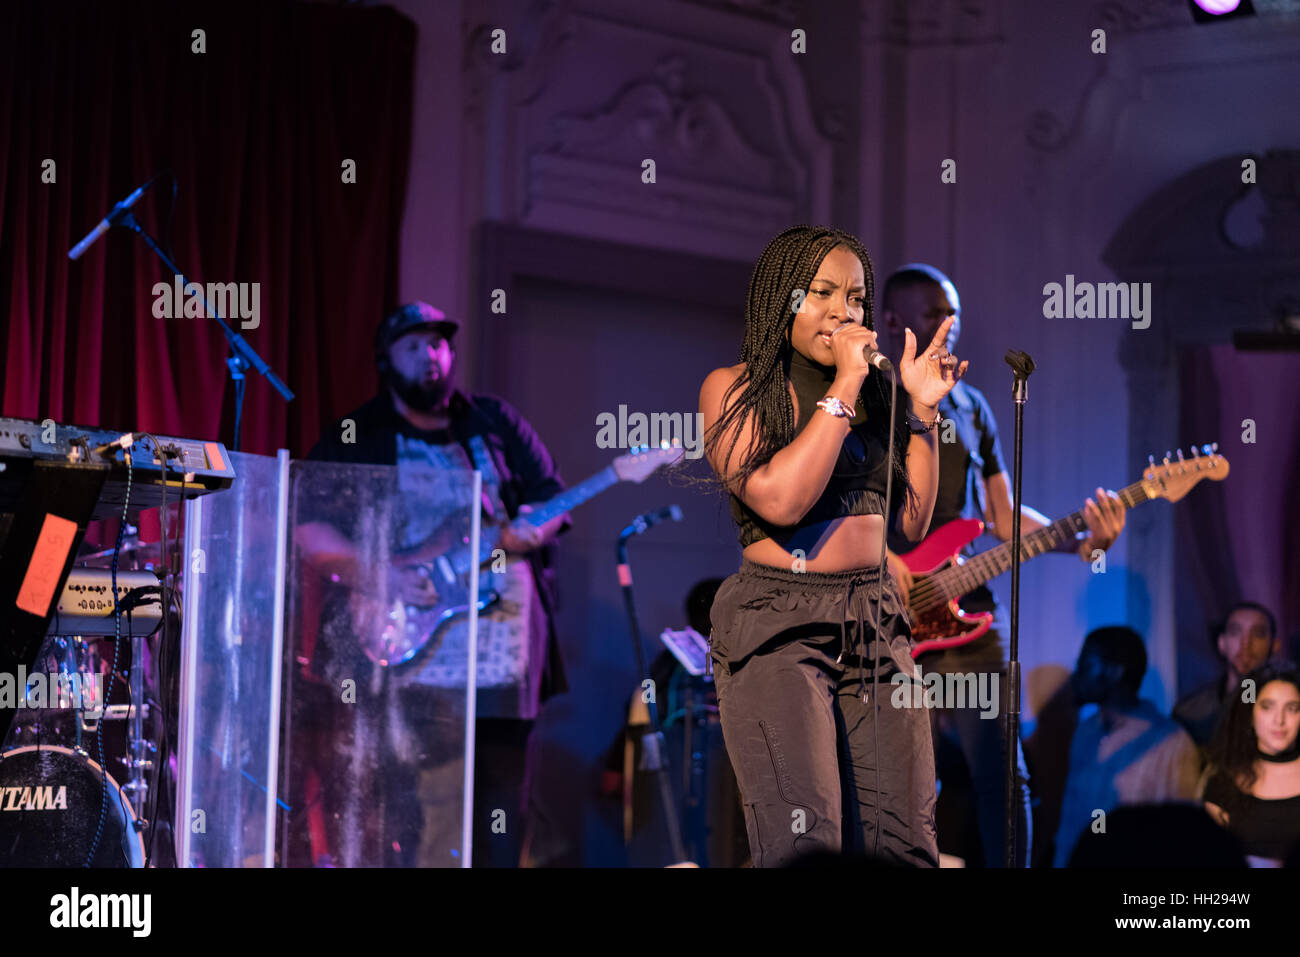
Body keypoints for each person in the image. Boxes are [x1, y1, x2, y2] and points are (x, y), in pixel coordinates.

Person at [699, 224, 967, 867]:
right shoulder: (733, 388)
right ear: (782, 299)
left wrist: (923, 413)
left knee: (907, 843)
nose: (843, 311)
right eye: (822, 293)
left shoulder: (884, 395)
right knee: (807, 842)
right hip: (779, 624)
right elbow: (781, 501)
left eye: (854, 296)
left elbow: (912, 521)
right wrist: (844, 388)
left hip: (876, 617)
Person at [295, 301, 571, 867]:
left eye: (439, 344)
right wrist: (378, 573)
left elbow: (551, 500)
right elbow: (306, 521)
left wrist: (531, 529)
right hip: (407, 646)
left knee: (499, 797)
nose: (430, 357)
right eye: (413, 345)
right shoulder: (361, 432)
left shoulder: (494, 422)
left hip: (501, 649)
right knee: (404, 799)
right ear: (385, 359)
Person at [878, 264, 1127, 867]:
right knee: (895, 783)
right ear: (891, 320)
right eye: (934, 310)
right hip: (883, 613)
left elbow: (1001, 515)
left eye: (954, 310)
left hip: (968, 610)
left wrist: (1085, 542)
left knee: (1005, 778)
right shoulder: (864, 398)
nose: (949, 322)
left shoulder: (972, 405)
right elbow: (837, 498)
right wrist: (882, 558)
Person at [1052, 626, 1201, 867]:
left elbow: (1183, 837)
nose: (1076, 675)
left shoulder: (1170, 743)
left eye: (1086, 665)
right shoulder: (1086, 731)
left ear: (1115, 672)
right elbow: (1069, 824)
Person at [1203, 662, 1300, 866]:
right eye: (1267, 707)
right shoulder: (1224, 784)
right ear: (1250, 714)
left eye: (1291, 709)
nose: (1279, 720)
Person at [1174, 602, 1281, 748]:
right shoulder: (1192, 713)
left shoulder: (1289, 711)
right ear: (1222, 642)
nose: (1246, 643)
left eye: (1258, 634)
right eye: (1236, 632)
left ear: (1273, 645)